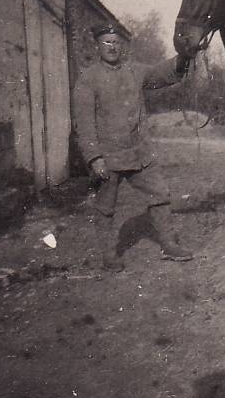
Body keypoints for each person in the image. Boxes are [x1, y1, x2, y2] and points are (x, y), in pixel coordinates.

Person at [73, 24, 194, 270]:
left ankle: (169, 244)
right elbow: (83, 124)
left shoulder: (135, 71)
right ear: (98, 46)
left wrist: (183, 57)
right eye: (106, 42)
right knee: (105, 207)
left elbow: (163, 74)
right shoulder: (88, 79)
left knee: (160, 193)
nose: (112, 47)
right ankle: (109, 255)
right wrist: (94, 157)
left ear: (122, 46)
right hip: (107, 157)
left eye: (116, 42)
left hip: (140, 153)